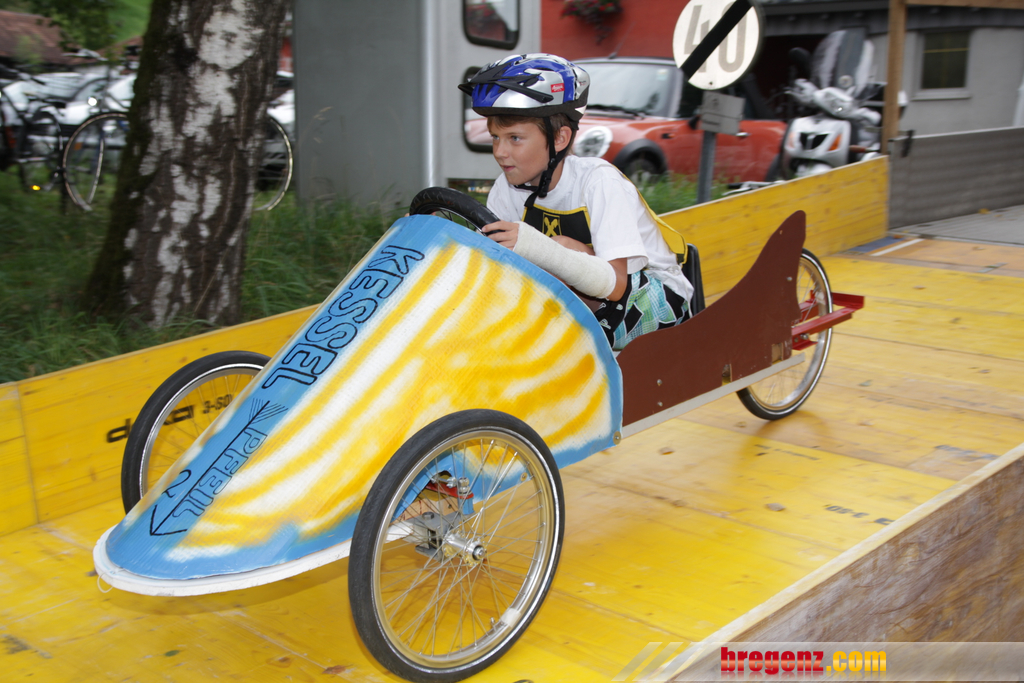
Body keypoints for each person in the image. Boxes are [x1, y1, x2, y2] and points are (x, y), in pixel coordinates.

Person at [460, 54, 693, 351]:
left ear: (560, 138)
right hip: (593, 307)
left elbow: (615, 285)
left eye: (514, 138)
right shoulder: (505, 187)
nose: (500, 152)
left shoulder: (598, 181)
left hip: (658, 303)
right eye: (495, 137)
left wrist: (539, 247)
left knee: (560, 249)